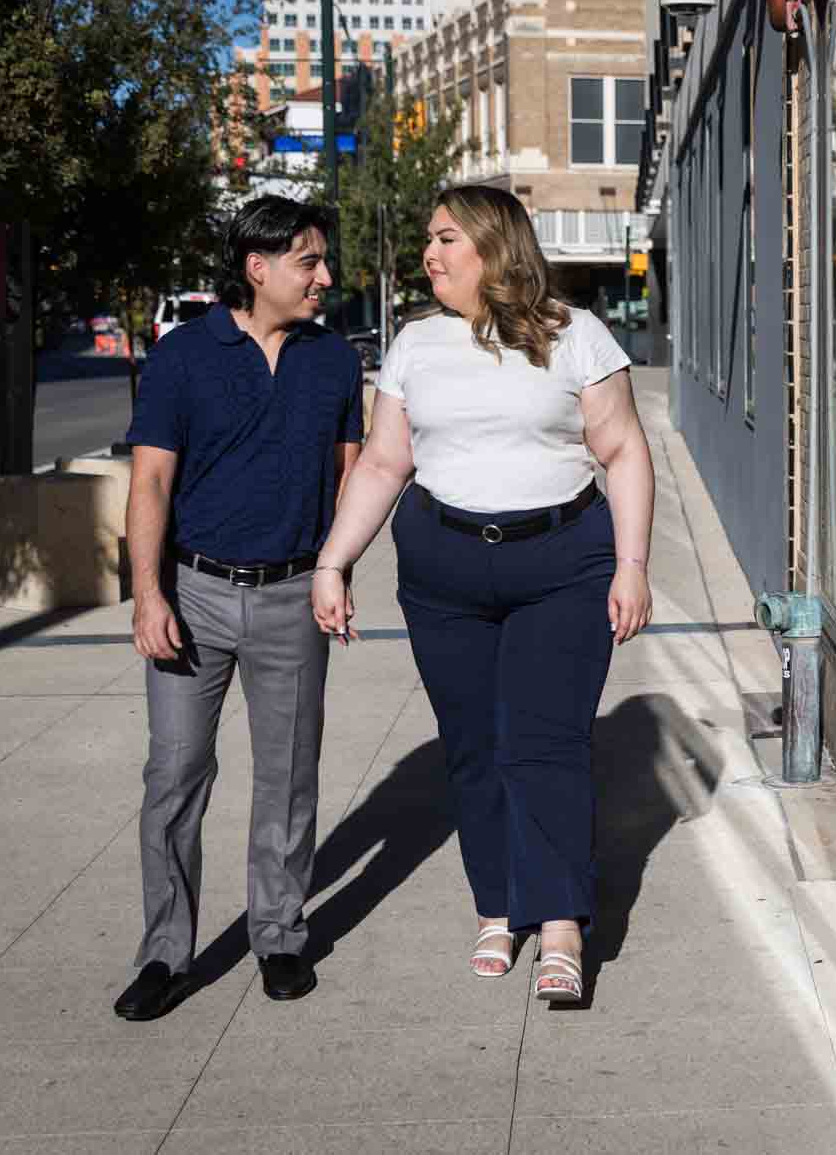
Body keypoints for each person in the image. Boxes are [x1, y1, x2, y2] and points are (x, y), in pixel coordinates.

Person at [310, 184, 654, 1003]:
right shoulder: (416, 345)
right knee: (472, 744)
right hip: (444, 569)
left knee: (547, 742)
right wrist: (334, 560)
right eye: (429, 240)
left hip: (561, 562)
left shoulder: (577, 336)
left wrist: (632, 564)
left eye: (446, 239)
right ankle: (497, 902)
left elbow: (624, 449)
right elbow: (387, 463)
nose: (431, 254)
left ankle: (563, 918)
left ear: (495, 246)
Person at [113, 196, 363, 1021]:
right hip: (195, 595)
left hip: (294, 595)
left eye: (324, 260)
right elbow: (149, 480)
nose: (326, 276)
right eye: (309, 261)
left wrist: (338, 568)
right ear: (258, 268)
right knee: (175, 775)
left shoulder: (331, 361)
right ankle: (164, 955)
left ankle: (281, 935)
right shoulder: (183, 356)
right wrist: (148, 594)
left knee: (288, 779)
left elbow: (354, 471)